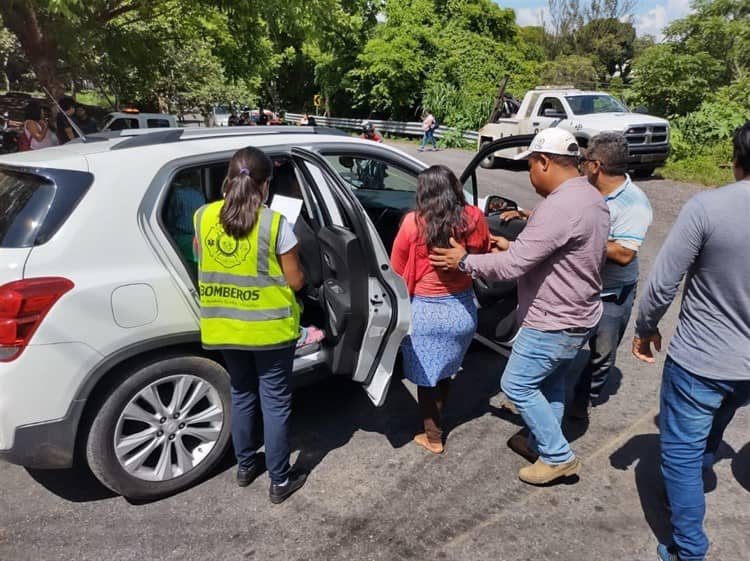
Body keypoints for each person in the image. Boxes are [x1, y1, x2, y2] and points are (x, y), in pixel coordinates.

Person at [430, 128, 609, 484]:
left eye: (530, 165)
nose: (530, 174)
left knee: (516, 386)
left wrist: (464, 260)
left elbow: (513, 269)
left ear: (543, 161)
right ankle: (544, 441)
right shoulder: (591, 199)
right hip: (580, 315)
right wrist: (510, 246)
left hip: (553, 320)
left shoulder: (558, 208)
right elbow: (552, 255)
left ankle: (558, 456)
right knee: (551, 384)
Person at [632, 122, 750, 561]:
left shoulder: (707, 207)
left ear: (737, 159)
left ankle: (689, 549)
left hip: (701, 361)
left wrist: (645, 329)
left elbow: (663, 284)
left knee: (677, 456)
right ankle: (704, 463)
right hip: (746, 372)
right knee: (724, 410)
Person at [193, 147, 307, 504]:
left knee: (242, 394)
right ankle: (279, 480)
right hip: (270, 331)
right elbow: (296, 282)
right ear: (266, 184)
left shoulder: (202, 216)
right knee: (274, 403)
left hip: (224, 327)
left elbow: (201, 258)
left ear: (229, 178)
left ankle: (245, 467)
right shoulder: (275, 223)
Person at [391, 165, 491, 454]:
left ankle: (432, 436)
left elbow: (396, 269)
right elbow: (482, 255)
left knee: (427, 379)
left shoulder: (413, 223)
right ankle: (438, 415)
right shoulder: (474, 218)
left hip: (425, 314)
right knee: (446, 370)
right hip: (462, 310)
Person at [568, 132, 653, 419]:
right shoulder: (583, 188)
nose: (580, 165)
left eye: (583, 160)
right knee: (559, 345)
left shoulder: (634, 204)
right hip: (578, 286)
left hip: (611, 295)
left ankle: (583, 399)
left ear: (596, 165)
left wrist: (576, 238)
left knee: (602, 354)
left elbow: (624, 253)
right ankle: (543, 395)